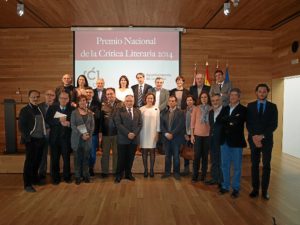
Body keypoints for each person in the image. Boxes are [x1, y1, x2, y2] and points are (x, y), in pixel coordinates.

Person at [246, 84, 278, 200]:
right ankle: (255, 189)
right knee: (254, 165)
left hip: (267, 140)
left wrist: (262, 136)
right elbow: (248, 123)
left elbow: (274, 125)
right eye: (260, 91)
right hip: (253, 139)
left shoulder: (273, 107)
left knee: (266, 165)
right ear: (256, 92)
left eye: (264, 91)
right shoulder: (250, 106)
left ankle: (265, 191)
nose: (262, 93)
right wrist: (255, 136)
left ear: (267, 93)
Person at [217, 88, 247, 198]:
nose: (232, 97)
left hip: (236, 142)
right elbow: (219, 120)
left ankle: (235, 188)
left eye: (235, 95)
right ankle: (225, 186)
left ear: (239, 97)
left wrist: (228, 120)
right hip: (224, 141)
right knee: (224, 165)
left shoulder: (243, 109)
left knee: (237, 166)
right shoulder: (225, 108)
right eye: (231, 95)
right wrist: (230, 120)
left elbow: (237, 122)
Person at [19, 90, 46, 192]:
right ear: (29, 97)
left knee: (37, 161)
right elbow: (22, 127)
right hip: (31, 141)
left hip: (40, 140)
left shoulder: (39, 109)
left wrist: (43, 136)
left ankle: (35, 179)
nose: (35, 99)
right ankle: (27, 184)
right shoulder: (24, 110)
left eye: (37, 97)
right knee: (29, 163)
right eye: (33, 97)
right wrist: (28, 139)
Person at [46, 91, 74, 185]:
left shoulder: (72, 109)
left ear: (68, 99)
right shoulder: (52, 108)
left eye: (66, 98)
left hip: (66, 139)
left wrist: (69, 124)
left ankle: (67, 177)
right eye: (62, 98)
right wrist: (59, 121)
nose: (63, 100)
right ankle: (55, 178)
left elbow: (74, 122)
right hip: (54, 139)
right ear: (58, 99)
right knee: (54, 159)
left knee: (66, 159)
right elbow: (48, 120)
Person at [113, 95, 142, 183]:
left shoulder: (138, 111)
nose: (129, 102)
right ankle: (119, 175)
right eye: (127, 101)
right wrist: (128, 133)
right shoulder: (119, 111)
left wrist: (134, 133)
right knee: (121, 158)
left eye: (131, 101)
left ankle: (128, 174)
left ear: (134, 101)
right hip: (123, 139)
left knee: (130, 158)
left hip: (134, 139)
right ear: (124, 102)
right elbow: (118, 124)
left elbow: (140, 124)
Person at [71, 95, 95, 185]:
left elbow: (92, 126)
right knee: (77, 159)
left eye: (84, 100)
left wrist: (88, 135)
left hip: (87, 139)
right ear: (78, 102)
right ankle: (77, 176)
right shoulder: (74, 113)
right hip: (77, 139)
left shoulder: (90, 113)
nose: (82, 102)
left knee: (86, 158)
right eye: (80, 101)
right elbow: (72, 126)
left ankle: (86, 176)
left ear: (86, 101)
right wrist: (82, 135)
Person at [100, 88, 123, 178]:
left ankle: (115, 171)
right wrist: (100, 132)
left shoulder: (121, 104)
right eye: (108, 94)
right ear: (106, 95)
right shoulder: (103, 104)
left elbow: (122, 118)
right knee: (105, 153)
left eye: (111, 94)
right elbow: (101, 120)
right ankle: (104, 172)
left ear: (115, 94)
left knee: (116, 154)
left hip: (117, 133)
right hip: (106, 133)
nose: (110, 96)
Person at [160, 95, 185, 180]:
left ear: (176, 102)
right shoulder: (164, 113)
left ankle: (176, 173)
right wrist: (166, 134)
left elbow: (180, 125)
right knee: (167, 157)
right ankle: (167, 172)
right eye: (170, 101)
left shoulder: (181, 112)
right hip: (166, 139)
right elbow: (161, 125)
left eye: (173, 101)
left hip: (176, 138)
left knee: (176, 157)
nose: (171, 102)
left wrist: (172, 134)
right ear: (168, 102)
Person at [190, 92, 211, 183]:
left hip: (207, 136)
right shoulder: (196, 108)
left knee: (205, 157)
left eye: (205, 97)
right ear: (200, 98)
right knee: (197, 156)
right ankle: (195, 175)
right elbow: (192, 123)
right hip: (197, 135)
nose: (204, 99)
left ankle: (203, 175)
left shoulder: (211, 108)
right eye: (202, 97)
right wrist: (192, 135)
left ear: (208, 98)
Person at [139, 93, 160, 178]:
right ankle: (145, 170)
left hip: (153, 133)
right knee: (144, 152)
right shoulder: (141, 109)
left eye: (151, 98)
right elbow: (139, 123)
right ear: (145, 99)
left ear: (153, 99)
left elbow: (158, 122)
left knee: (152, 152)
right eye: (148, 98)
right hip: (143, 133)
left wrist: (157, 133)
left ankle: (151, 170)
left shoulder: (156, 109)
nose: (150, 100)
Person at [205, 94, 223, 186]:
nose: (215, 102)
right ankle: (214, 178)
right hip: (212, 140)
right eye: (213, 101)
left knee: (221, 161)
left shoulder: (225, 111)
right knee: (214, 160)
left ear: (220, 101)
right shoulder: (211, 112)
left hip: (222, 140)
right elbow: (212, 126)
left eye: (217, 100)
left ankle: (221, 180)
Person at [38, 89, 56, 180]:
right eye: (48, 94)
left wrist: (50, 128)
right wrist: (45, 128)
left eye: (52, 95)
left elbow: (59, 120)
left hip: (54, 134)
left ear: (54, 97)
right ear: (44, 96)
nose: (50, 96)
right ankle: (42, 173)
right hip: (42, 134)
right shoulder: (39, 107)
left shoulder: (57, 107)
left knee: (53, 155)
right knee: (42, 155)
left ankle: (53, 173)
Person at [85, 86, 102, 176]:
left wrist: (87, 112)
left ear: (93, 94)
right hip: (82, 133)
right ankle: (85, 170)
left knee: (92, 154)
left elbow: (98, 116)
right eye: (87, 92)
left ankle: (90, 168)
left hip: (93, 133)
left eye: (90, 92)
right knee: (84, 153)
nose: (88, 94)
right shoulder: (80, 102)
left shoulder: (97, 103)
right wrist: (91, 113)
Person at [181, 95, 196, 176]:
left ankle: (194, 171)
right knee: (186, 152)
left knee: (194, 153)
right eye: (187, 100)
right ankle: (186, 170)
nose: (189, 102)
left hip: (195, 134)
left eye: (190, 100)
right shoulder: (184, 111)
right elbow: (182, 124)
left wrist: (193, 134)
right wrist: (185, 134)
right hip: (186, 134)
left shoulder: (197, 110)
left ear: (193, 101)